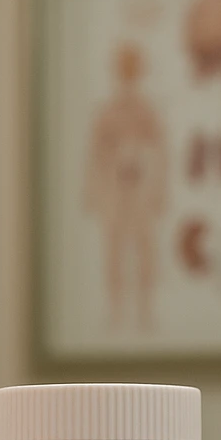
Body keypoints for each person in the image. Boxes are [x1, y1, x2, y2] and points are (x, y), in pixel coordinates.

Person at [84, 43, 167, 329]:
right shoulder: (107, 111)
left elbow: (160, 151)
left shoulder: (147, 110)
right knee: (114, 251)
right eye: (124, 69)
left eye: (132, 69)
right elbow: (95, 154)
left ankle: (146, 310)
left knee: (145, 250)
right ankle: (115, 311)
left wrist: (158, 191)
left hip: (140, 192)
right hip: (115, 192)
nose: (128, 75)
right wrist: (93, 194)